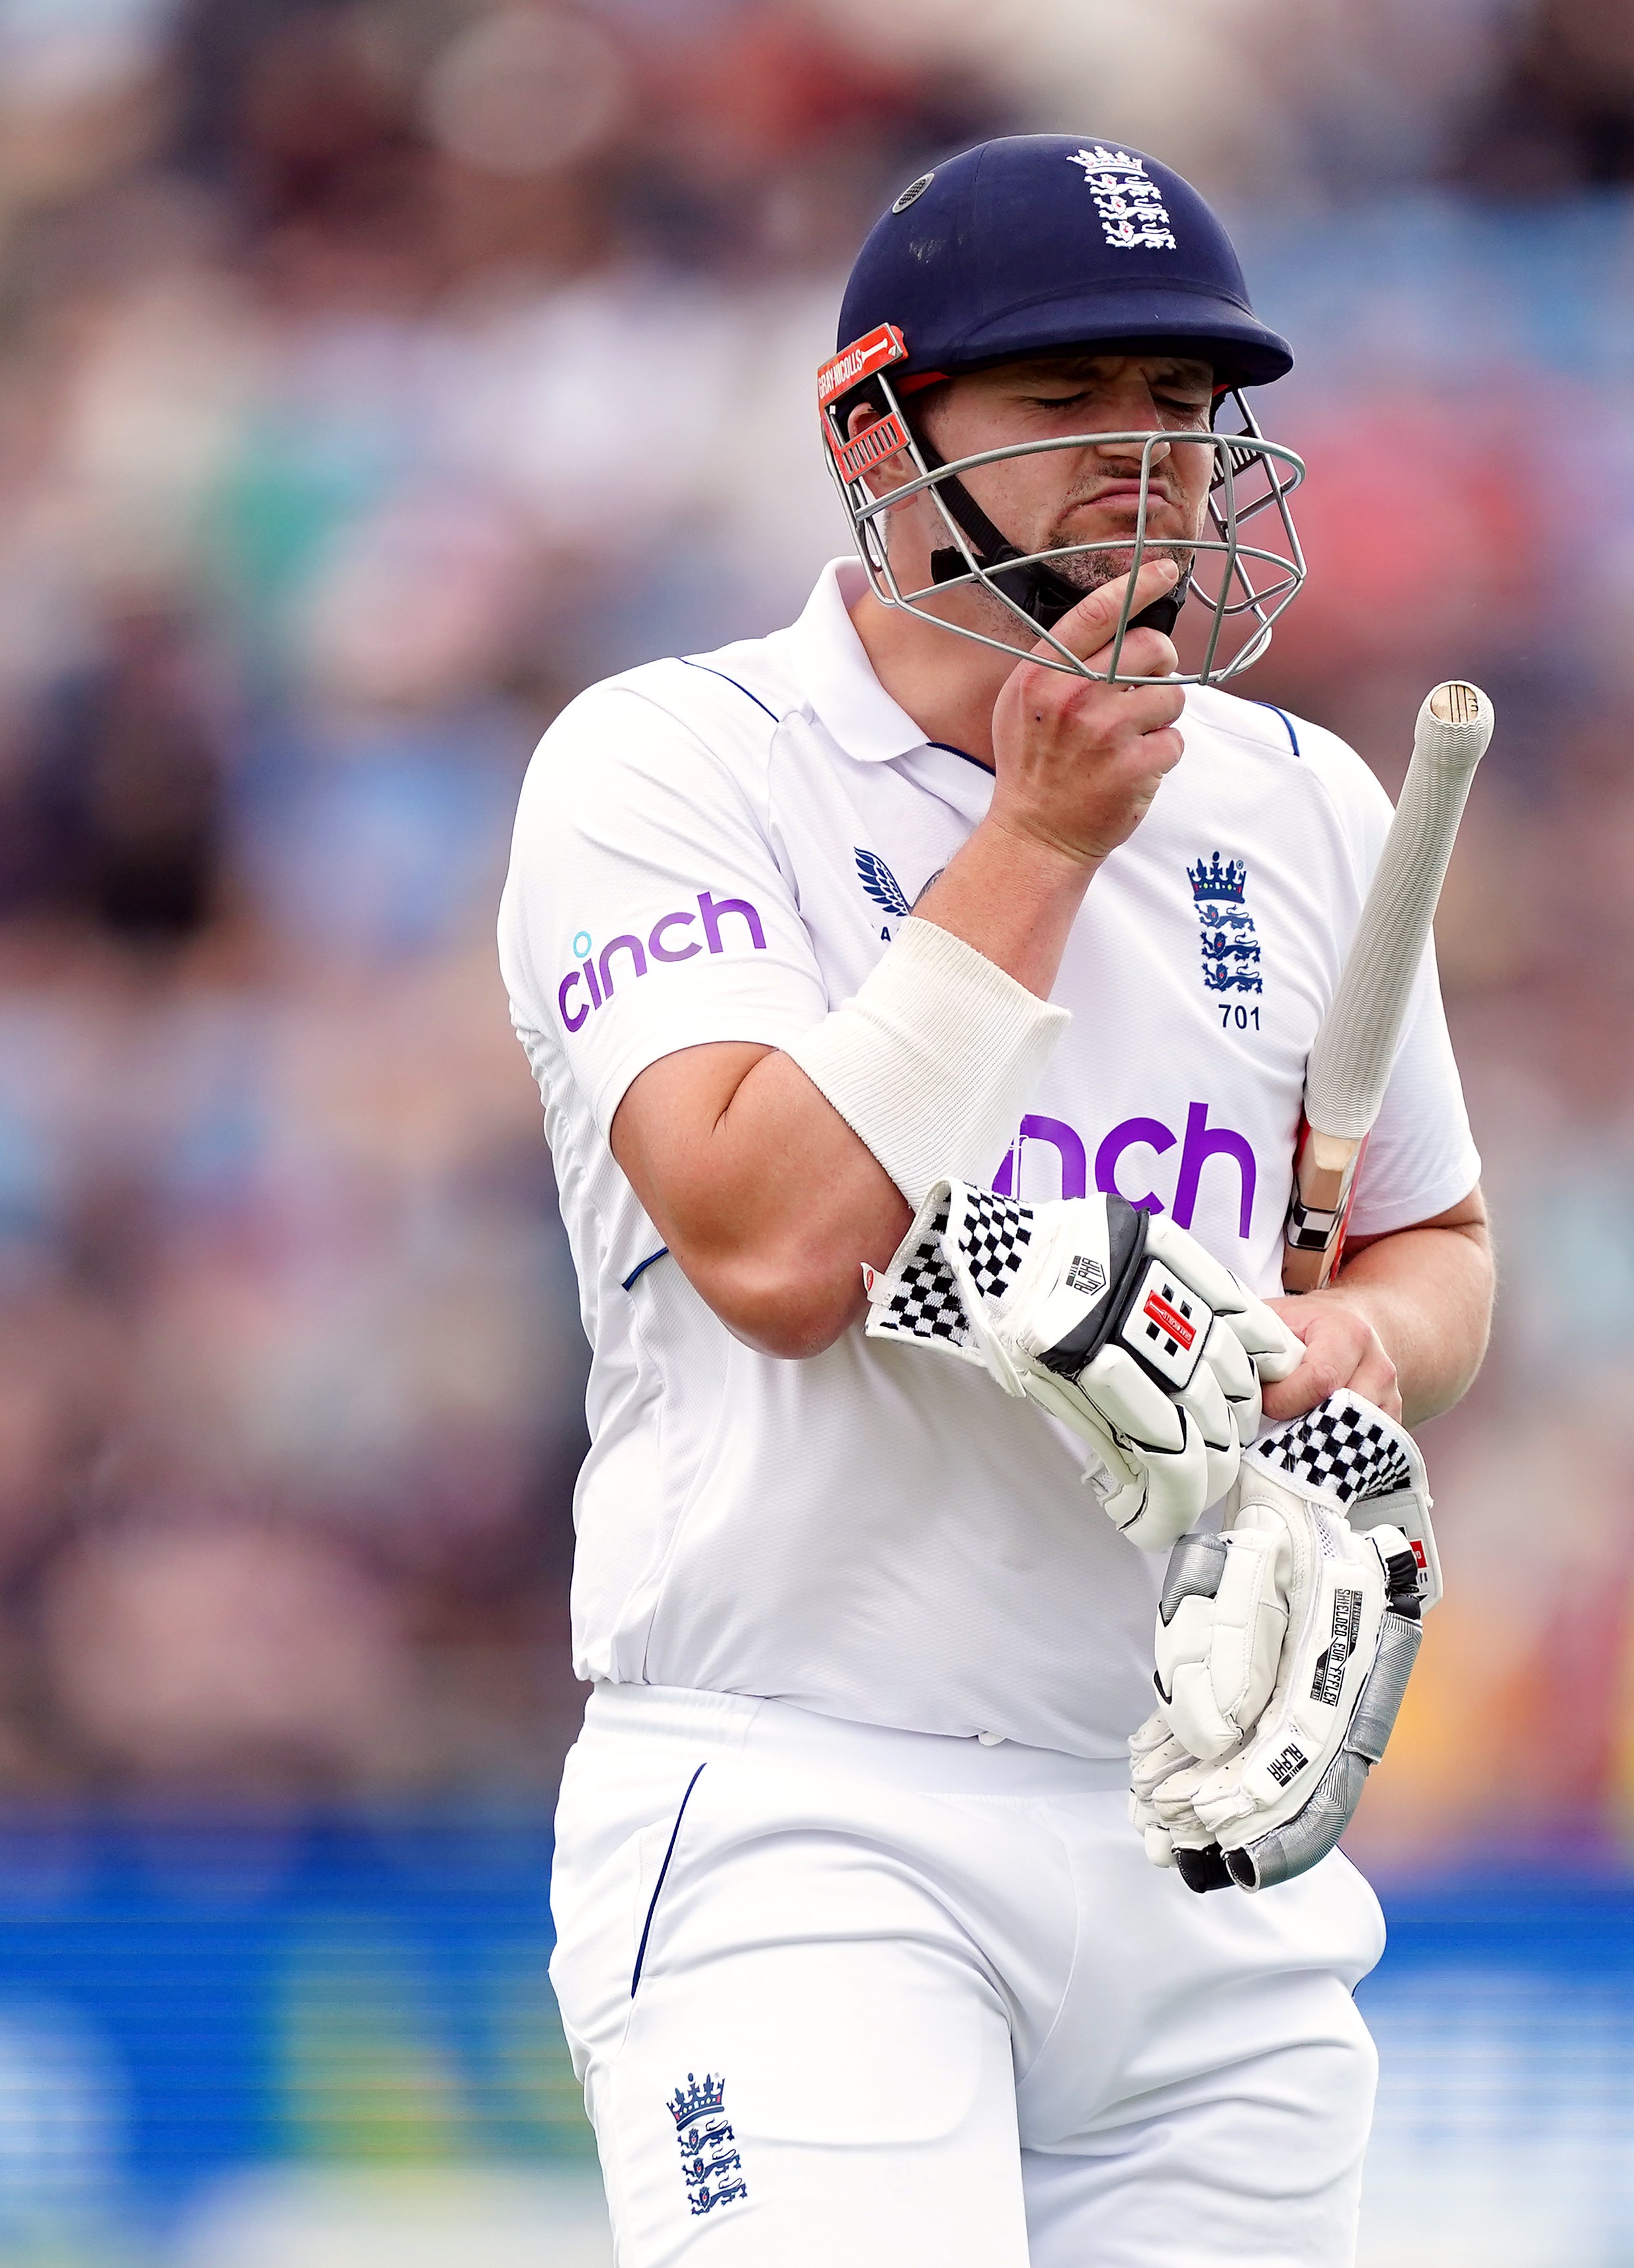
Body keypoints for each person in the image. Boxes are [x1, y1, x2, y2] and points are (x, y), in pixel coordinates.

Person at [498, 134, 1492, 2265]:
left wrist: (1332, 1349)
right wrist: (1038, 839)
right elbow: (769, 1245)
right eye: (1065, 406)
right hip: (805, 1806)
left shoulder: (1303, 802)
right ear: (878, 436)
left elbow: (1434, 1251)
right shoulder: (672, 764)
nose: (1145, 463)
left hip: (1204, 1843)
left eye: (1180, 407)